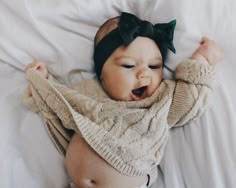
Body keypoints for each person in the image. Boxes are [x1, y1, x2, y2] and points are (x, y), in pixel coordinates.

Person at [23, 12, 224, 188]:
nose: (144, 74)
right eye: (128, 66)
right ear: (102, 74)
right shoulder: (87, 90)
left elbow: (190, 100)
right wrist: (44, 82)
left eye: (154, 67)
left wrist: (201, 60)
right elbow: (61, 104)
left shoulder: (160, 101)